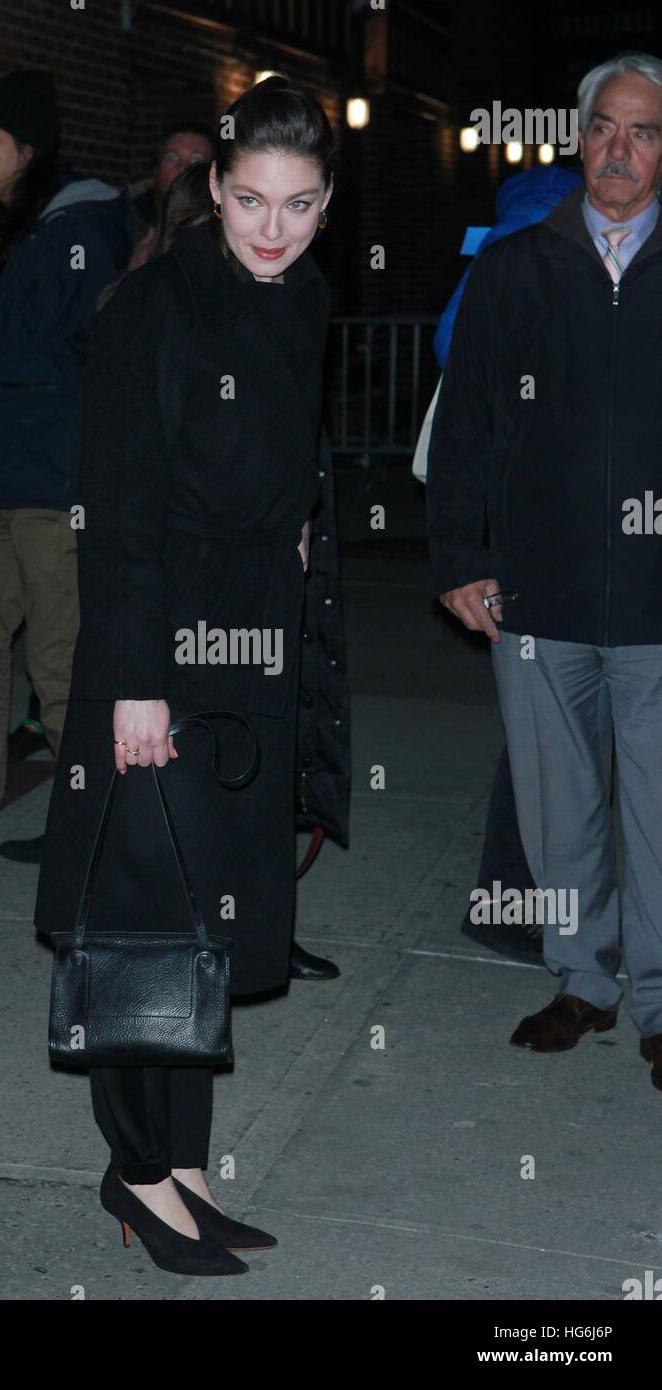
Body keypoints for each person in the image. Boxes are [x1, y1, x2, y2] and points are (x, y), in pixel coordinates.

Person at [34, 75, 335, 1274]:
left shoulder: (304, 297)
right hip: (160, 649)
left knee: (211, 914)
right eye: (251, 199)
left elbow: (281, 452)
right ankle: (134, 1168)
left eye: (301, 204)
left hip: (251, 649)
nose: (274, 228)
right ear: (213, 187)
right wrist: (134, 683)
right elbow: (122, 512)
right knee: (142, 916)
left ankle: (190, 1166)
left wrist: (299, 527)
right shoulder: (152, 306)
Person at [426, 50, 662, 1089]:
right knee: (553, 810)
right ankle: (581, 980)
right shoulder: (515, 267)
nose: (621, 149)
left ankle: (657, 996)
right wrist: (460, 559)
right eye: (605, 127)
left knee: (659, 812)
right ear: (577, 138)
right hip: (537, 592)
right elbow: (465, 427)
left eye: (644, 132)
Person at [0, 71, 131, 856]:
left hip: (53, 484)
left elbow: (41, 353)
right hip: (1, 479)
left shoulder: (77, 230)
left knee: (57, 663)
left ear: (27, 149)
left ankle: (95, 828)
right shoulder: (15, 226)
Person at [433, 166, 583, 962]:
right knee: (550, 721)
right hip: (531, 525)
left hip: (544, 523)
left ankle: (519, 897)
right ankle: (509, 899)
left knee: (552, 721)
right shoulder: (539, 238)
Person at [127, 121, 214, 270]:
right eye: (172, 158)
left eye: (196, 161)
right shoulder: (124, 223)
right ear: (156, 170)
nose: (183, 168)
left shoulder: (227, 229)